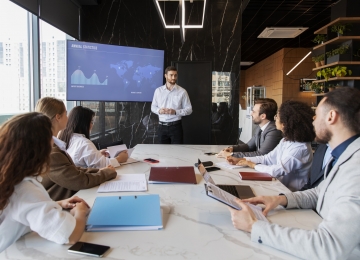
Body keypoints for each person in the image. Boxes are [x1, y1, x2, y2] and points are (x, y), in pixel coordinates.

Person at [228, 87, 360, 259]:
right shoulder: (343, 155)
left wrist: (254, 227)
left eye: (317, 114)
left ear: (331, 117)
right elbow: (321, 192)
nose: (312, 120)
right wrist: (281, 199)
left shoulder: (356, 168)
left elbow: (328, 246)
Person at [0, 112, 90, 252]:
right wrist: (81, 212)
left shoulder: (9, 177)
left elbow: (20, 209)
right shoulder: (24, 189)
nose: (53, 142)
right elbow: (70, 235)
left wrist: (57, 204)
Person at [35, 97, 117, 201]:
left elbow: (72, 170)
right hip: (56, 206)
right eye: (66, 113)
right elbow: (79, 181)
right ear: (58, 117)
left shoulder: (54, 144)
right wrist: (106, 173)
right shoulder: (51, 151)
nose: (68, 117)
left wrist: (99, 170)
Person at [227, 100, 315, 191]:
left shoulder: (300, 148)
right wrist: (242, 160)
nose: (275, 117)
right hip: (278, 186)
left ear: (285, 124)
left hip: (291, 193)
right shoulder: (286, 141)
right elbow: (267, 158)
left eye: (277, 116)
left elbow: (276, 171)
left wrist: (252, 165)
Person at [58, 106, 128, 168]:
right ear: (84, 123)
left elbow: (80, 158)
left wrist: (97, 153)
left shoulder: (65, 138)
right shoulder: (84, 143)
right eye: (91, 122)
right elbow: (104, 165)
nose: (92, 125)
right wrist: (120, 158)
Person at [218, 98, 282, 158]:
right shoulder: (260, 128)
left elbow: (261, 154)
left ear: (263, 116)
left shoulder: (274, 131)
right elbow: (249, 146)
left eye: (253, 112)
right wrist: (232, 149)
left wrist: (232, 155)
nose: (251, 114)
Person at [151, 66, 192, 144]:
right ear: (165, 75)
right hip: (161, 127)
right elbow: (153, 107)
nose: (173, 77)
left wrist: (175, 112)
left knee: (177, 153)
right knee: (162, 153)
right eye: (171, 75)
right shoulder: (158, 91)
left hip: (176, 127)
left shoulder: (182, 91)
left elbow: (189, 109)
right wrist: (159, 110)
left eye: (175, 75)